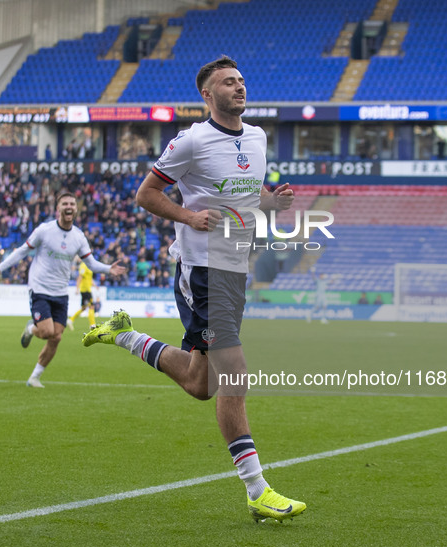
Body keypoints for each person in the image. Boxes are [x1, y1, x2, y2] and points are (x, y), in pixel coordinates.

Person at [82, 56, 305, 523]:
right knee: (233, 372)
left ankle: (124, 334)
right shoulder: (191, 141)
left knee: (200, 384)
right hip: (201, 269)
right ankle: (257, 489)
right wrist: (188, 216)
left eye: (242, 80)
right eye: (228, 82)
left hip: (233, 268)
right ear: (208, 95)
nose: (239, 87)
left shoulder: (258, 137)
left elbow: (248, 195)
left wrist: (273, 201)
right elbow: (146, 195)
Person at [0, 192, 126, 388]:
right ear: (58, 208)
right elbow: (22, 250)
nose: (69, 207)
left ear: (76, 209)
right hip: (40, 288)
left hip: (60, 292)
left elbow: (91, 263)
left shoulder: (78, 237)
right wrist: (0, 268)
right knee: (45, 331)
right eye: (65, 204)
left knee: (56, 337)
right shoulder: (44, 230)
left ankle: (34, 377)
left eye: (72, 204)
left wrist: (108, 269)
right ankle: (30, 328)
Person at [67, 259, 98, 330]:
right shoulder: (83, 265)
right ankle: (92, 325)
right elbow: (80, 277)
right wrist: (77, 288)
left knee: (84, 308)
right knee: (91, 306)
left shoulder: (88, 266)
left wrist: (94, 285)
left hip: (87, 289)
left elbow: (89, 278)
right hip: (85, 290)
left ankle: (71, 320)